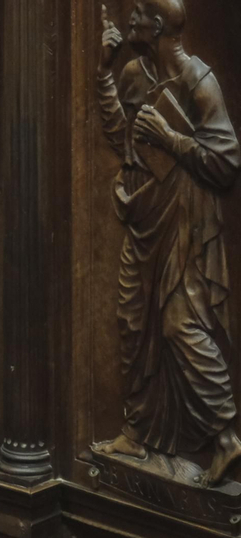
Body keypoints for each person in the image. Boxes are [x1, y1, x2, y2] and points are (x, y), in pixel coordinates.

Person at [94, 0, 241, 485]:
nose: (128, 16)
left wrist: (172, 136)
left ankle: (224, 437)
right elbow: (123, 139)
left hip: (184, 227)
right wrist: (103, 73)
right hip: (144, 217)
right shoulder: (136, 73)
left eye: (137, 12)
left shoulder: (199, 82)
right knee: (133, 321)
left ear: (156, 26)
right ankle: (137, 434)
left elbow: (225, 163)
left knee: (180, 326)